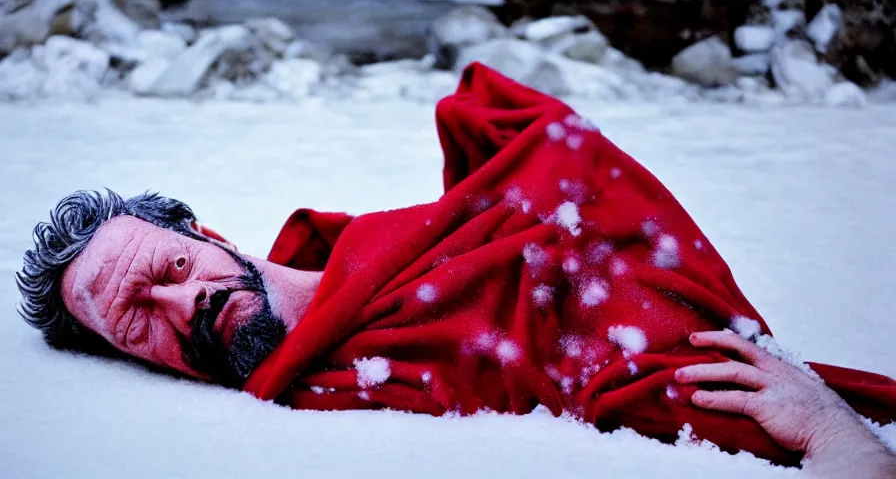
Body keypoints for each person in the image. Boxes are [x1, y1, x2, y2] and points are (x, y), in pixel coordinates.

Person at [16, 63, 896, 475]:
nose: (185, 299)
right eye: (139, 318)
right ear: (132, 364)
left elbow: (568, 171)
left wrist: (831, 425)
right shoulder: (316, 404)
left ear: (208, 235)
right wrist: (827, 439)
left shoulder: (427, 241)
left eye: (172, 264)